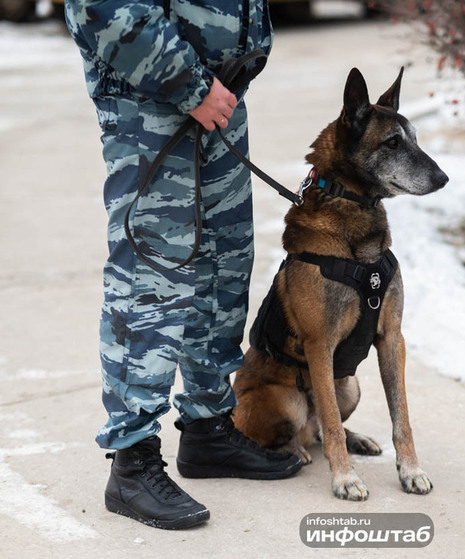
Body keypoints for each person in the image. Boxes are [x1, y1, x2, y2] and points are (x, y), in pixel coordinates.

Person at [65, 0, 302, 530]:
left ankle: (209, 428)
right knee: (151, 276)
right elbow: (104, 8)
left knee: (223, 259)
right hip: (151, 94)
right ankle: (132, 462)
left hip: (220, 93)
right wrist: (191, 84)